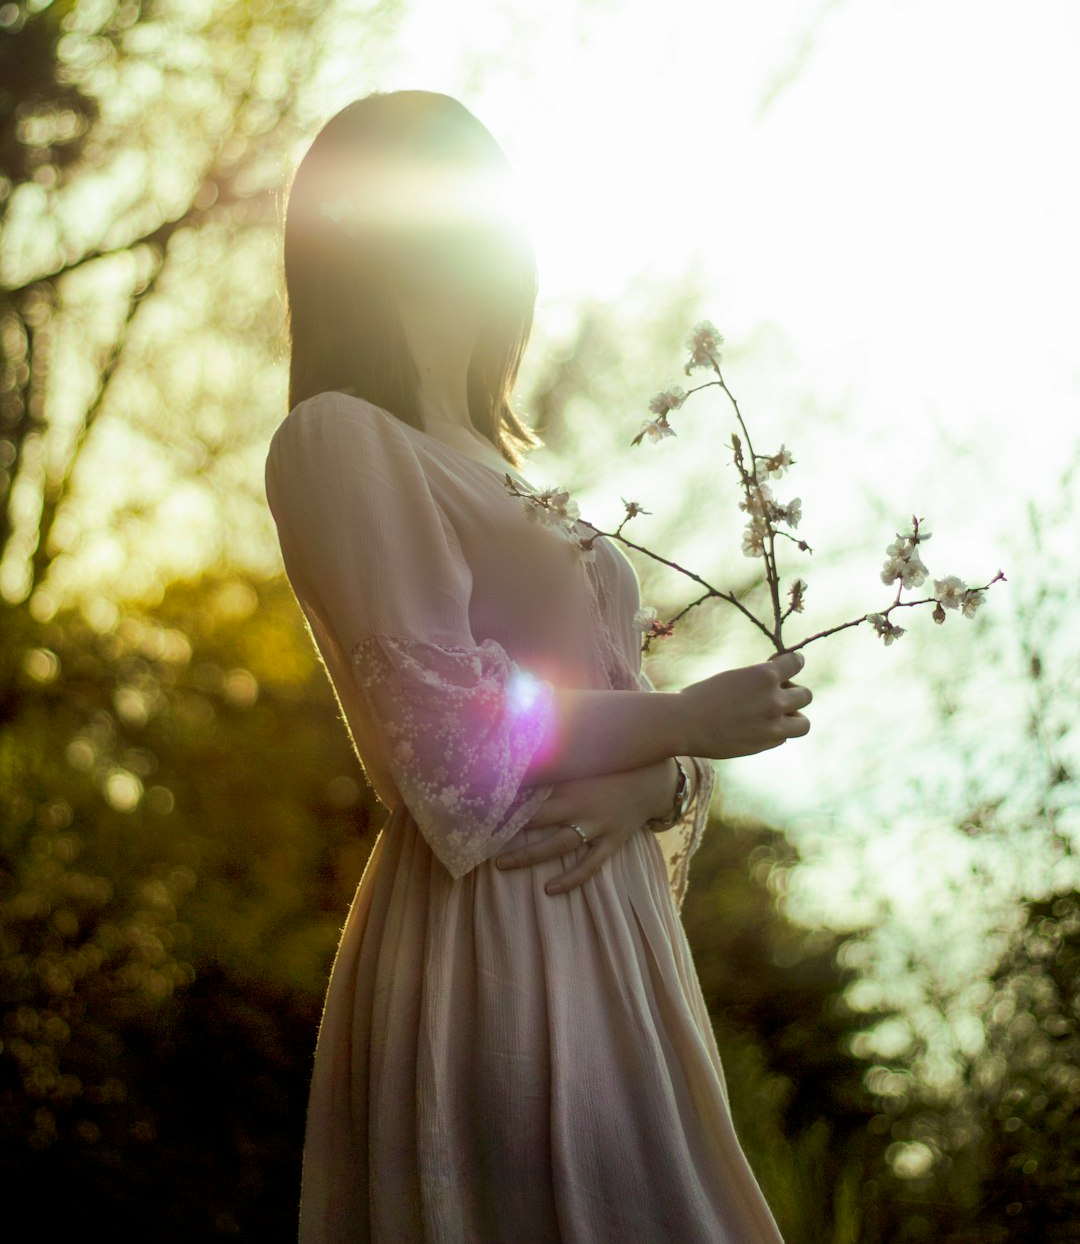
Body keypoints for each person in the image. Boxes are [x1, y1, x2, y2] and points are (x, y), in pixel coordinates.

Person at [263, 90, 812, 1243]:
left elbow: (627, 724)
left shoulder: (502, 462)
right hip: (495, 937)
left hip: (613, 933)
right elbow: (450, 747)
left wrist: (670, 773)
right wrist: (683, 724)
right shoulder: (341, 438)